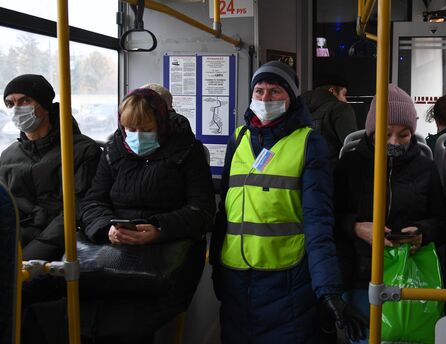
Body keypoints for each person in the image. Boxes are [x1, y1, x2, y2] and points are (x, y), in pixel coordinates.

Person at [210, 61, 368, 343]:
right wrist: (217, 273)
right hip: (236, 280)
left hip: (287, 282)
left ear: (291, 98)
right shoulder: (238, 138)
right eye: (259, 91)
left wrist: (327, 289)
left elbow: (318, 222)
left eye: (274, 91)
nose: (265, 98)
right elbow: (225, 214)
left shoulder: (309, 143)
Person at [78, 88, 216, 342]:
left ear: (161, 125)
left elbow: (203, 211)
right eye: (130, 129)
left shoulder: (187, 151)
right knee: (83, 316)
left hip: (168, 248)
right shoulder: (114, 150)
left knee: (131, 324)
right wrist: (107, 227)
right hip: (115, 246)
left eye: (145, 129)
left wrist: (158, 229)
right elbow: (92, 202)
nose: (136, 136)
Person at [333, 84, 446, 342]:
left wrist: (422, 232)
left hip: (411, 276)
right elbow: (330, 218)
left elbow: (443, 222)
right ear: (371, 131)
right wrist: (356, 227)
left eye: (404, 135)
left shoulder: (425, 167)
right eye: (385, 134)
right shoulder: (350, 166)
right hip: (360, 274)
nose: (394, 142)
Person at [0, 74, 102, 261]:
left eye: (25, 100)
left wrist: (30, 256)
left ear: (44, 106)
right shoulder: (8, 156)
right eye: (10, 104)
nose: (16, 109)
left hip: (62, 238)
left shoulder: (81, 150)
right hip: (19, 234)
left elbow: (76, 209)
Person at [302, 76, 358, 165]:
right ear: (332, 91)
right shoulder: (340, 108)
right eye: (344, 94)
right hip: (333, 173)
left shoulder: (300, 110)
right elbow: (352, 146)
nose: (345, 100)